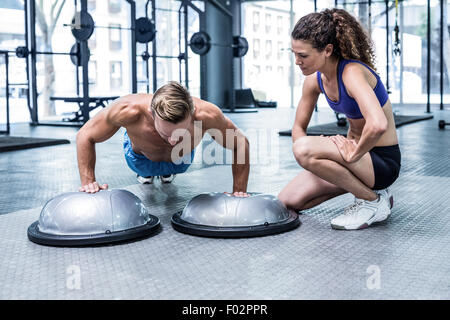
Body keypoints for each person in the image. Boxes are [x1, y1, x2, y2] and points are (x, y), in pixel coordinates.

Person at [278, 8, 401, 230]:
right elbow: (298, 127)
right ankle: (370, 192)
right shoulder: (315, 80)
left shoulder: (351, 72)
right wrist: (319, 157)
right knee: (287, 201)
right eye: (294, 53)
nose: (297, 61)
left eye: (303, 55)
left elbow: (378, 124)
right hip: (354, 159)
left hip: (381, 162)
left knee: (304, 148)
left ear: (327, 50)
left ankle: (372, 202)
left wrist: (353, 154)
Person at [76, 81, 250, 196]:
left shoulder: (206, 114)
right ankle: (146, 172)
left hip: (181, 161)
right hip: (140, 159)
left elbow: (241, 143)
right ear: (152, 114)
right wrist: (88, 182)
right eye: (166, 134)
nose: (173, 142)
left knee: (178, 151)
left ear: (191, 113)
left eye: (179, 134)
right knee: (146, 168)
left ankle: (168, 169)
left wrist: (239, 191)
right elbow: (85, 135)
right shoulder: (128, 110)